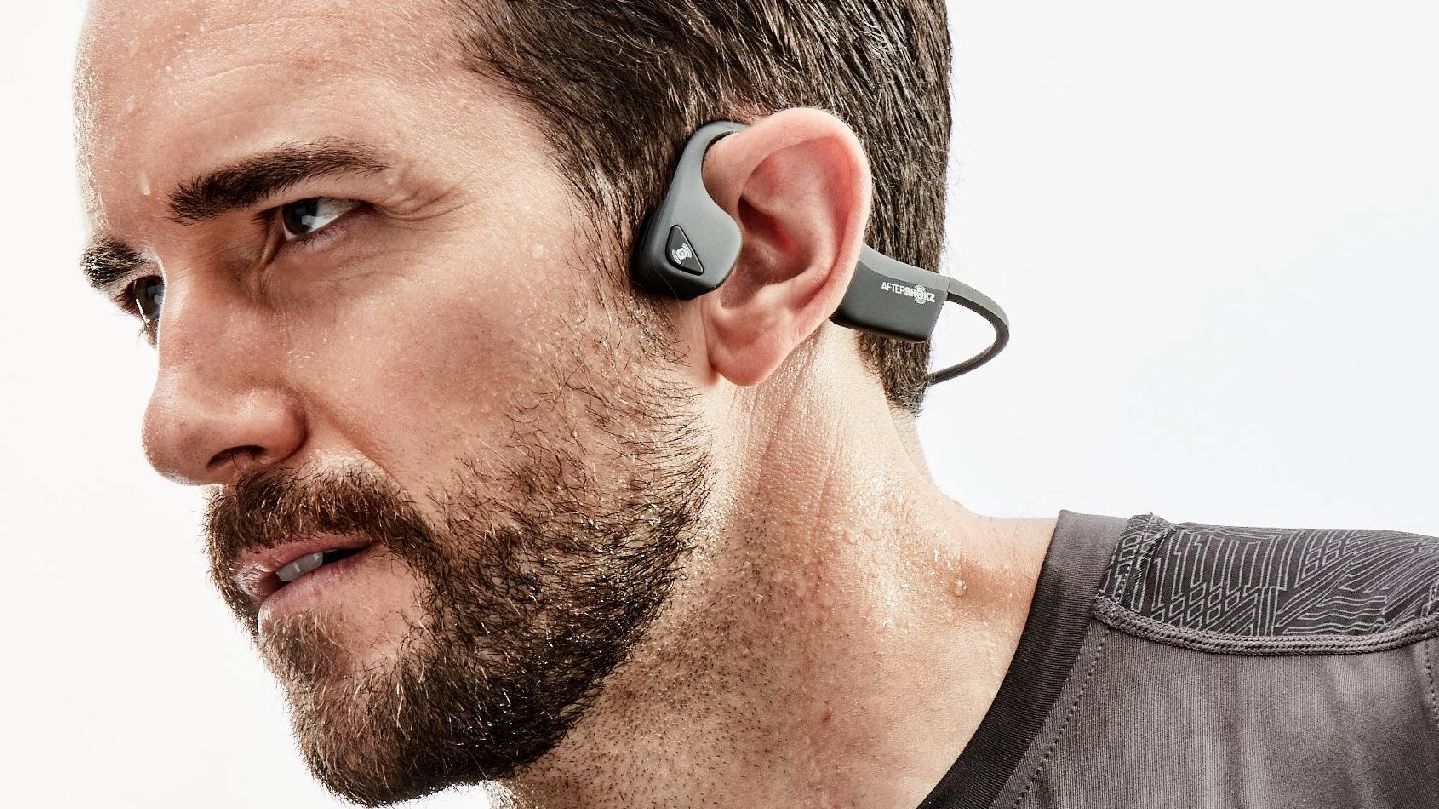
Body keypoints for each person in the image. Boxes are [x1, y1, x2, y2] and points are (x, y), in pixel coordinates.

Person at [72, 1, 1439, 807]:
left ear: (757, 250)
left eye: (305, 218)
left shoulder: (1394, 721)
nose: (176, 428)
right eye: (144, 293)